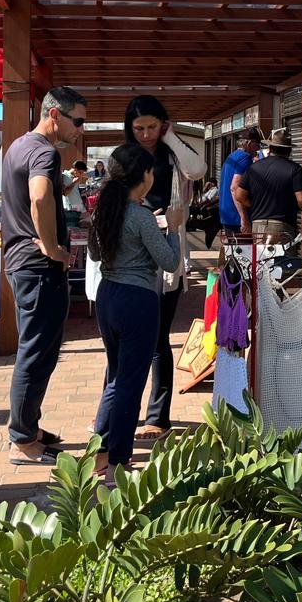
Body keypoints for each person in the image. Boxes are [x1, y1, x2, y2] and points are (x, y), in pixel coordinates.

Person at [1, 86, 87, 465]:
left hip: (24, 264)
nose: (80, 130)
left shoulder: (19, 146)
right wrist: (52, 248)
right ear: (54, 115)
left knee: (36, 349)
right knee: (36, 352)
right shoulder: (44, 152)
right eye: (77, 121)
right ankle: (22, 440)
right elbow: (39, 196)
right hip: (38, 267)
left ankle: (27, 427)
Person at [87, 143, 181, 476]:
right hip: (137, 299)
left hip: (107, 295)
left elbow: (95, 254)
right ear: (143, 175)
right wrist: (172, 228)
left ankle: (100, 452)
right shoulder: (141, 216)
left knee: (116, 378)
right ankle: (117, 460)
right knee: (130, 382)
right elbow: (169, 261)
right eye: (151, 171)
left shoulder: (104, 210)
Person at [122, 95, 205, 440]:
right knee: (126, 340)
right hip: (130, 257)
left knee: (158, 338)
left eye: (152, 127)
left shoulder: (172, 154)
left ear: (163, 124)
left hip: (166, 254)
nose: (145, 134)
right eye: (138, 128)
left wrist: (171, 136)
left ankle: (158, 416)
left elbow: (197, 170)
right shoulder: (124, 157)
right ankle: (116, 414)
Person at [234, 127, 302, 242]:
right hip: (283, 227)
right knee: (282, 254)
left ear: (270, 148)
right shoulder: (294, 169)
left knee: (260, 254)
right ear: (289, 150)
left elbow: (239, 196)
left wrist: (255, 205)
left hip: (258, 226)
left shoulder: (254, 167)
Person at [218, 127, 262, 236]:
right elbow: (234, 188)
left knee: (232, 246)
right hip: (236, 217)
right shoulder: (245, 158)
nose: (258, 149)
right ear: (249, 143)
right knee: (243, 247)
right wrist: (244, 218)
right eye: (257, 145)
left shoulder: (231, 157)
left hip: (226, 216)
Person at [62, 160, 90, 227]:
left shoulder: (75, 176)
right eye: (80, 172)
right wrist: (74, 182)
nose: (80, 175)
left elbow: (74, 191)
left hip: (78, 206)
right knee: (72, 227)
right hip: (71, 208)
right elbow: (65, 193)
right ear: (75, 169)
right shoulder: (65, 176)